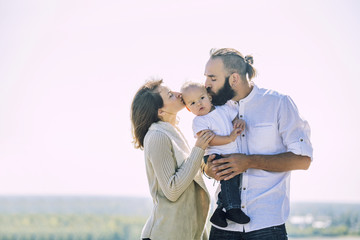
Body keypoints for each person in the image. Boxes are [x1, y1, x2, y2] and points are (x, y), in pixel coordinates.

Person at [202, 48, 313, 240]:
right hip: (223, 228)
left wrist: (249, 162)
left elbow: (303, 160)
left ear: (234, 78)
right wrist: (208, 169)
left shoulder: (279, 103)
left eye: (212, 78)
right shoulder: (212, 110)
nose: (206, 84)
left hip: (267, 226)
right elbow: (203, 160)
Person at [130, 79, 215, 240]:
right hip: (165, 234)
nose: (179, 94)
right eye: (170, 95)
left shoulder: (172, 132)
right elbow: (172, 190)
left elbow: (188, 177)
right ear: (160, 111)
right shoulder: (157, 136)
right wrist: (198, 149)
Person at [181, 82, 250, 227]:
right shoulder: (199, 121)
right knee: (229, 177)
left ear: (209, 97)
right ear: (188, 108)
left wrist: (239, 122)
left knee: (233, 180)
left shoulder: (223, 109)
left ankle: (219, 212)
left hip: (229, 152)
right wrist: (229, 138)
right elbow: (210, 140)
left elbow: (234, 118)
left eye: (201, 98)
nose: (199, 103)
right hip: (215, 154)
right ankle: (232, 209)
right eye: (192, 103)